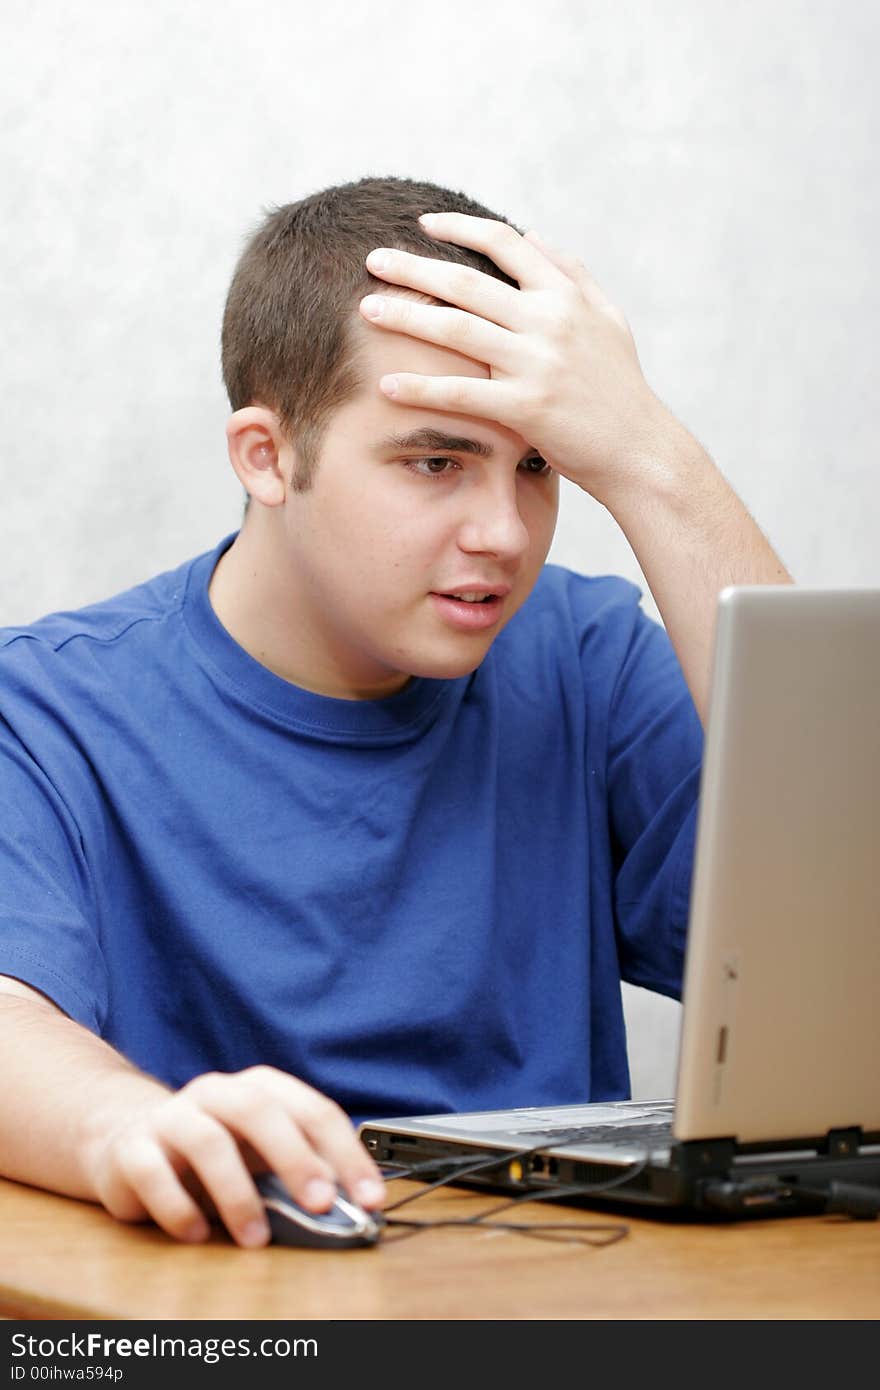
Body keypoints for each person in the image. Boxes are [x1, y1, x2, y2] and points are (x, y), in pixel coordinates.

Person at [0, 175, 791, 1249]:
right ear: (268, 457)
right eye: (435, 461)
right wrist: (125, 1125)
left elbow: (845, 931)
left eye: (538, 465)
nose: (504, 534)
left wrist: (652, 457)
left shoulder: (585, 658)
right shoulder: (50, 705)